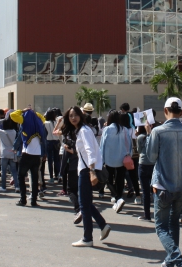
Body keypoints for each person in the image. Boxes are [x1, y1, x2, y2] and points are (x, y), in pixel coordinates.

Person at [145, 97, 182, 267]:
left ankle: (180, 262)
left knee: (161, 227)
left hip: (163, 185)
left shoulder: (158, 131)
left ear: (165, 111)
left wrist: (148, 135)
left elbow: (151, 157)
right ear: (181, 112)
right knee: (174, 224)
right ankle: (170, 262)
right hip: (181, 184)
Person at [64, 106, 111, 247]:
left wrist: (91, 171)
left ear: (81, 115)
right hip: (85, 169)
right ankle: (102, 225)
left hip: (87, 170)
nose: (73, 118)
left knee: (84, 204)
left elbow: (90, 151)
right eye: (70, 116)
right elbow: (85, 151)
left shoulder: (84, 130)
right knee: (86, 203)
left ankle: (87, 238)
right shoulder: (82, 130)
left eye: (75, 115)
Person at [12, 108, 46, 207]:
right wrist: (35, 113)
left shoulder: (25, 122)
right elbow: (43, 118)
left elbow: (12, 115)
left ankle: (23, 199)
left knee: (21, 176)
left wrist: (23, 110)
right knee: (35, 179)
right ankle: (33, 201)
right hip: (37, 155)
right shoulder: (39, 123)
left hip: (26, 154)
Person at [100, 110, 131, 213]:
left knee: (108, 179)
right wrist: (129, 154)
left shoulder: (107, 129)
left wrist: (101, 158)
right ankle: (119, 196)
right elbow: (129, 143)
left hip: (109, 158)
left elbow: (102, 145)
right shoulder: (125, 129)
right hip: (122, 158)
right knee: (120, 179)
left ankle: (115, 196)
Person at [0, 111, 18, 193]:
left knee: (3, 171)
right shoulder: (14, 131)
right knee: (14, 171)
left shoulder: (2, 132)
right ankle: (17, 186)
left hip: (4, 153)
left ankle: (3, 187)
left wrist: (0, 121)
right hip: (12, 153)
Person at [136, 125, 153, 221]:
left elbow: (139, 150)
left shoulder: (140, 137)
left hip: (143, 163)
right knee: (155, 190)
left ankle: (147, 215)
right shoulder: (154, 136)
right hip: (153, 163)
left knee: (145, 191)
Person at [44, 110, 61, 183]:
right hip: (56, 141)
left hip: (49, 141)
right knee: (57, 160)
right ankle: (59, 175)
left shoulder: (45, 123)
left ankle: (51, 178)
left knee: (50, 161)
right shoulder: (56, 122)